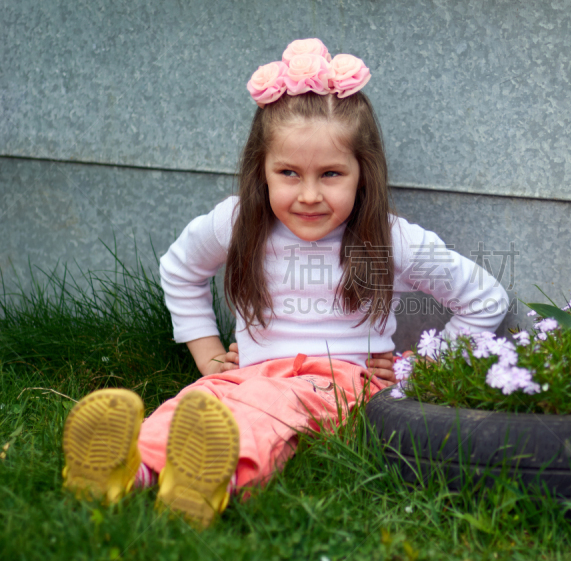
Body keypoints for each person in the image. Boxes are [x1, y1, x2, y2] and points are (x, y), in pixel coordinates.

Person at [61, 38, 509, 528]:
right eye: (289, 173)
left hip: (338, 386)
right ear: (262, 170)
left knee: (273, 410)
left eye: (332, 173)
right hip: (247, 374)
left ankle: (216, 479)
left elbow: (486, 300)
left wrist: (420, 366)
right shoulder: (237, 223)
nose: (310, 195)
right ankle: (127, 470)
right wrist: (209, 357)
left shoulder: (389, 238)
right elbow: (180, 269)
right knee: (197, 400)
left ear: (364, 173)